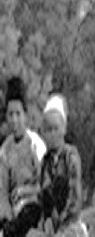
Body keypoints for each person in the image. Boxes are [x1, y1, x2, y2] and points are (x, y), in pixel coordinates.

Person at [35, 95, 87, 237]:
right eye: (48, 130)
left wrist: (64, 220)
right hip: (53, 226)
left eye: (55, 129)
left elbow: (74, 194)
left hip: (71, 222)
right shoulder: (45, 162)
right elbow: (44, 195)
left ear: (63, 129)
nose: (52, 134)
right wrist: (47, 219)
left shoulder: (71, 156)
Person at [0, 76, 46, 237]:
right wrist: (7, 216)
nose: (14, 120)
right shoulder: (5, 150)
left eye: (18, 114)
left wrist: (24, 191)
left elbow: (46, 185)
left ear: (25, 115)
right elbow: (3, 190)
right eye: (10, 114)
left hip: (33, 206)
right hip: (14, 210)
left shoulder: (35, 145)